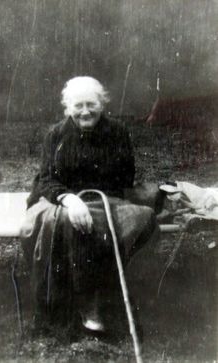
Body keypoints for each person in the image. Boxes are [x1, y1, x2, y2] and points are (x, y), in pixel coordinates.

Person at [20, 76, 159, 336]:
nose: (85, 111)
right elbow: (46, 179)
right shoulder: (56, 135)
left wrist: (91, 197)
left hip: (105, 200)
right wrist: (70, 199)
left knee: (115, 223)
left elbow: (124, 178)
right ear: (68, 108)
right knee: (59, 223)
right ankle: (78, 305)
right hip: (60, 200)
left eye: (91, 104)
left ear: (102, 104)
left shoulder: (117, 132)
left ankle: (95, 301)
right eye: (78, 105)